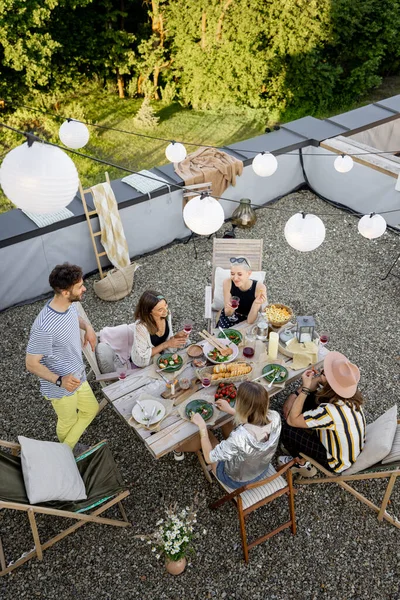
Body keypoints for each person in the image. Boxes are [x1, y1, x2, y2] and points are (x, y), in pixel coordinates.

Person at [26, 263, 99, 450]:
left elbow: (75, 318)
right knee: (69, 420)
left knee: (91, 409)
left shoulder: (68, 305)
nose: (84, 288)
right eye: (80, 286)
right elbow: (31, 364)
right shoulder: (44, 327)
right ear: (65, 292)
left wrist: (88, 328)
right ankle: (66, 452)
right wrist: (60, 380)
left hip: (78, 376)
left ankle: (66, 447)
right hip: (60, 386)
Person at [279, 351, 366, 476]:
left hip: (336, 461)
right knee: (312, 397)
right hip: (345, 449)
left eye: (324, 372)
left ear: (331, 385)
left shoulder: (330, 412)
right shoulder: (349, 397)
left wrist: (304, 389)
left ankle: (301, 464)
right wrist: (298, 393)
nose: (321, 371)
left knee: (287, 429)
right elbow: (316, 389)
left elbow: (292, 420)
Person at [190, 381, 281, 489]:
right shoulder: (275, 416)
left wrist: (202, 427)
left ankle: (179, 451)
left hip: (236, 480)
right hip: (261, 468)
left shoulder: (240, 437)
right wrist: (231, 410)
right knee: (227, 427)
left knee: (208, 437)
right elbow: (256, 418)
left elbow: (209, 458)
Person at [130, 290, 188, 368]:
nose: (166, 311)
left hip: (163, 352)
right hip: (146, 359)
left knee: (187, 343)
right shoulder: (140, 327)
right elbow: (143, 354)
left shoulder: (167, 314)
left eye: (165, 305)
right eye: (160, 310)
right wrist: (166, 344)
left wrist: (177, 336)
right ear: (149, 312)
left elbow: (168, 339)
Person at [218, 256, 267, 329]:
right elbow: (227, 313)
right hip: (231, 316)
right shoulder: (227, 283)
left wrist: (257, 303)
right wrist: (230, 309)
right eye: (232, 274)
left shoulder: (259, 288)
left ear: (248, 273)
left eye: (240, 274)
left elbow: (250, 321)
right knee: (222, 337)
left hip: (247, 319)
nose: (235, 278)